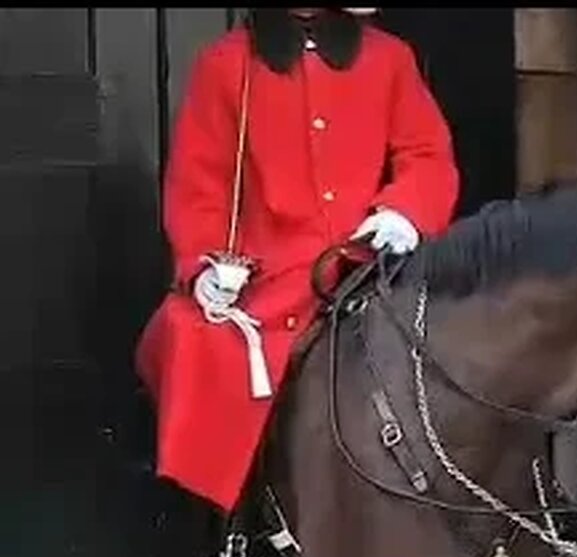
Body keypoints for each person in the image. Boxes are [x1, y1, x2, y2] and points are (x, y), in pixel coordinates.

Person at [135, 8, 460, 515]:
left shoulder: (390, 59)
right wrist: (203, 268)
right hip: (269, 287)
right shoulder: (224, 65)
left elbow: (427, 154)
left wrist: (406, 210)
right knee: (188, 339)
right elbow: (201, 187)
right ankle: (228, 537)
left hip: (368, 269)